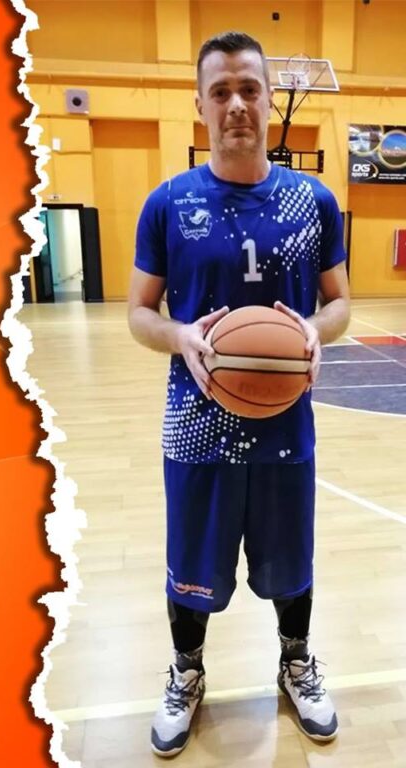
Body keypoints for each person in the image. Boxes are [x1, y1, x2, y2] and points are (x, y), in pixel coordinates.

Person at [127, 31, 351, 757]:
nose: (236, 105)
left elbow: (339, 304)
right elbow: (139, 313)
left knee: (291, 562)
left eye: (249, 89)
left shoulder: (313, 201)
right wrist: (181, 336)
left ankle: (295, 662)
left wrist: (314, 331)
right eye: (220, 91)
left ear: (268, 98)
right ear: (199, 104)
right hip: (195, 426)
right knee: (192, 566)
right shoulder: (167, 204)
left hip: (286, 426)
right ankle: (187, 672)